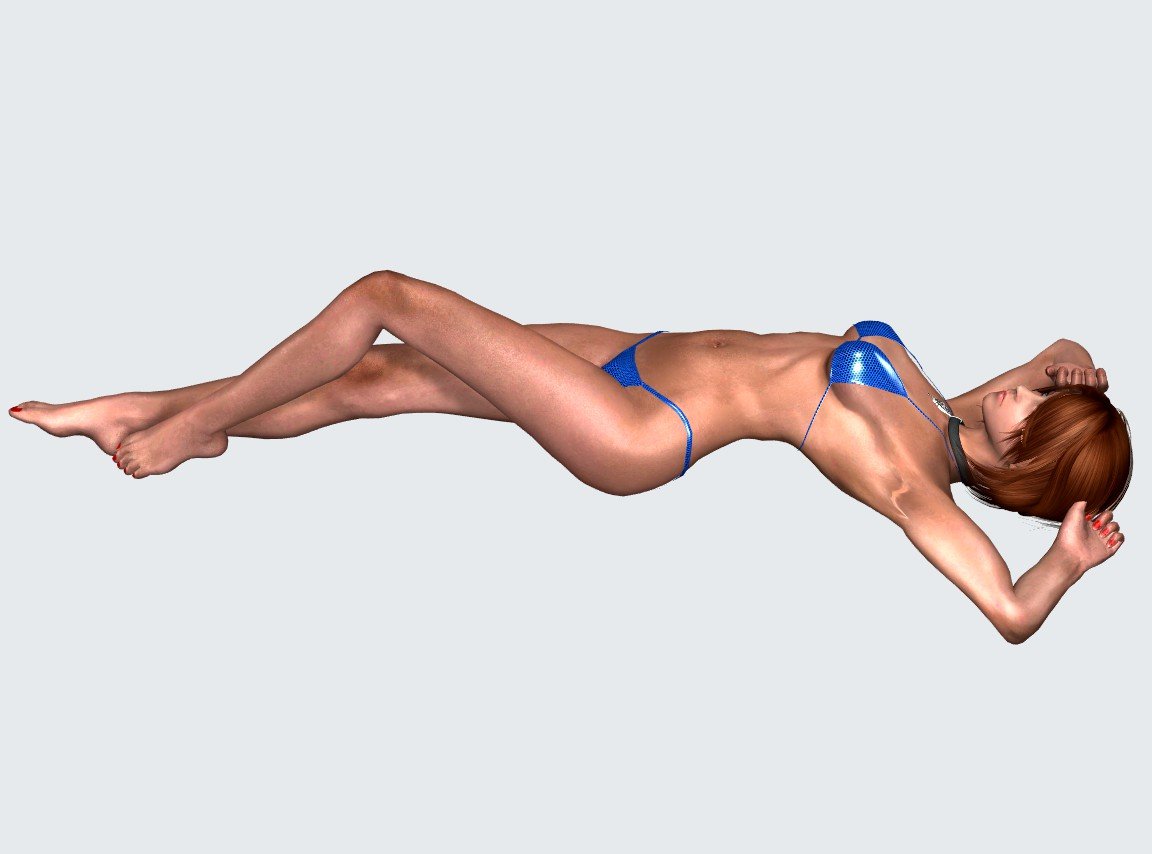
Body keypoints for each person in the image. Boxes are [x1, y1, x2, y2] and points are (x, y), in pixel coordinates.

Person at [9, 269, 1132, 643]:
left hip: (639, 428)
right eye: (1036, 389)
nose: (1024, 384)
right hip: (637, 353)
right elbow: (1059, 348)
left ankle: (183, 432)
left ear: (1018, 456)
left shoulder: (910, 472)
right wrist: (1075, 376)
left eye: (1032, 404)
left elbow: (1008, 611)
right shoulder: (950, 405)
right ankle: (136, 409)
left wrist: (1065, 562)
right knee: (376, 377)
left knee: (385, 297)